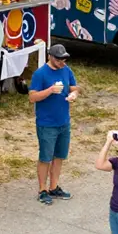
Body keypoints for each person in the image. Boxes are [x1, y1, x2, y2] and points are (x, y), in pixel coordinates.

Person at [29, 43, 79, 205]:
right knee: (45, 157)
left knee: (59, 157)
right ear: (50, 57)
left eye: (64, 59)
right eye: (59, 59)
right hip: (46, 123)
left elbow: (74, 87)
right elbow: (32, 97)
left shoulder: (66, 70)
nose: (62, 62)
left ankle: (54, 186)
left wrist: (73, 95)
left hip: (64, 121)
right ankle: (42, 189)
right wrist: (50, 90)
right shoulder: (40, 74)